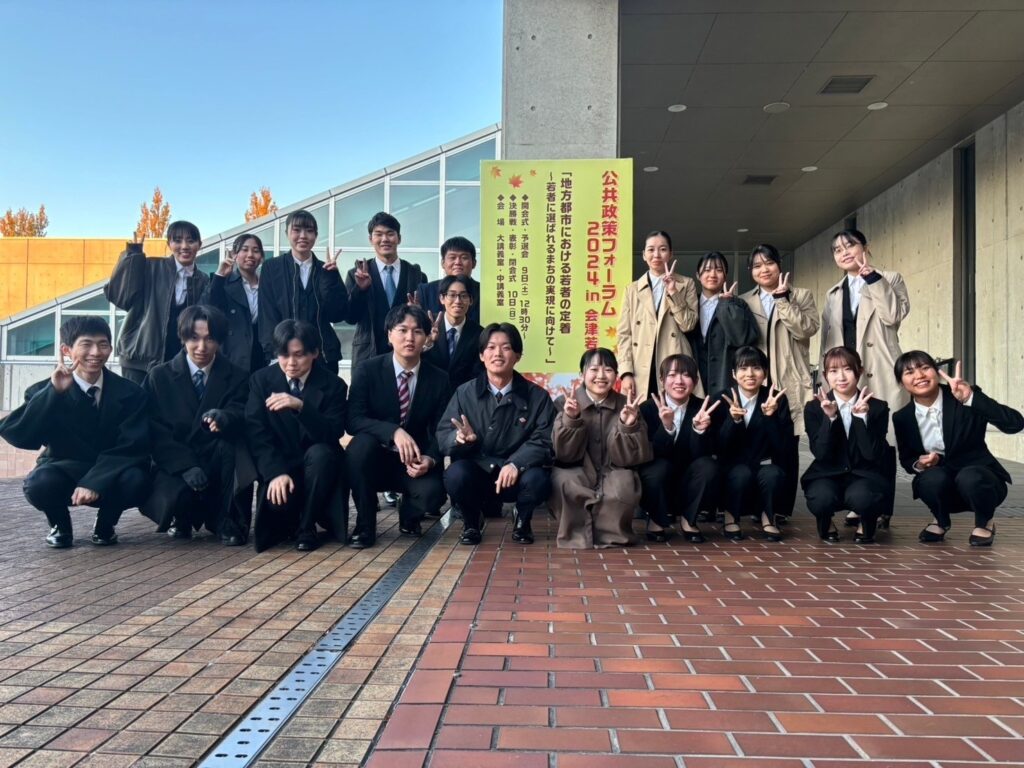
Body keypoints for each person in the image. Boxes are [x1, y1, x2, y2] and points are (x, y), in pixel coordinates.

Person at [0, 316, 150, 547]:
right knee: (39, 483)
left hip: (111, 469)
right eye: (86, 344)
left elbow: (132, 445)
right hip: (64, 467)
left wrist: (94, 481)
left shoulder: (131, 392)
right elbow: (20, 434)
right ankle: (60, 525)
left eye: (103, 344)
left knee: (136, 480)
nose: (95, 352)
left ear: (111, 349)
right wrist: (53, 392)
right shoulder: (42, 390)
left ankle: (106, 524)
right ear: (66, 350)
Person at [141, 305, 252, 545]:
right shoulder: (159, 376)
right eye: (194, 338)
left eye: (210, 339)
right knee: (175, 496)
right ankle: (181, 517)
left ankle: (224, 520)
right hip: (175, 460)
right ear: (182, 338)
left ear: (219, 341)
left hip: (215, 457)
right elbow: (154, 430)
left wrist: (225, 417)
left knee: (232, 448)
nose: (202, 347)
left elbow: (243, 411)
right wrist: (185, 466)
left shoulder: (237, 376)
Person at [437, 323, 556, 546]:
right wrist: (459, 439)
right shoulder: (464, 393)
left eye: (506, 347)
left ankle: (523, 520)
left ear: (517, 356)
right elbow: (443, 434)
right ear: (482, 356)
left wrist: (516, 463)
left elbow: (545, 438)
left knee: (539, 480)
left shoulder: (537, 396)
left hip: (517, 476)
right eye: (490, 347)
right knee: (455, 475)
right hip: (479, 473)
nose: (498, 353)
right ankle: (471, 522)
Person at [893, 351, 1023, 546]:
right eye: (909, 372)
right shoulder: (902, 417)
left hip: (980, 481)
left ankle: (984, 521)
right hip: (943, 484)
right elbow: (907, 459)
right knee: (930, 479)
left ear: (937, 372)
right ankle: (940, 519)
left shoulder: (962, 396)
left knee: (970, 477)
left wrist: (971, 398)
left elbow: (1015, 424)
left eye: (925, 368)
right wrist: (920, 463)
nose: (919, 375)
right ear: (902, 383)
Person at [346, 305, 450, 548]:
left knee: (433, 495)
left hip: (414, 461)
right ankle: (365, 524)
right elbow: (353, 420)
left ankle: (410, 513)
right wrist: (393, 432)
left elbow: (441, 428)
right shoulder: (367, 370)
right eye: (402, 330)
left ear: (427, 338)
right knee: (358, 449)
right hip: (375, 457)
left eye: (417, 331)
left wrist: (431, 459)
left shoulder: (439, 378)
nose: (409, 338)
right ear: (389, 335)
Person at [246, 320, 349, 552]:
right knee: (277, 507)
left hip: (319, 470)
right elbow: (256, 432)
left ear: (315, 353)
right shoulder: (261, 381)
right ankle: (291, 520)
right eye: (284, 355)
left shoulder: (334, 385)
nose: (291, 363)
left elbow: (333, 432)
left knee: (322, 453)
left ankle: (307, 527)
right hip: (282, 467)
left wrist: (302, 407)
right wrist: (275, 472)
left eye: (299, 355)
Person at [550, 348, 652, 549]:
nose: (601, 376)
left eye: (608, 370)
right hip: (575, 468)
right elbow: (563, 453)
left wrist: (627, 425)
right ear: (582, 374)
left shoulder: (627, 405)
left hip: (614, 468)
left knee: (623, 484)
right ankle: (576, 535)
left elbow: (632, 457)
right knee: (565, 482)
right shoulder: (564, 403)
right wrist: (571, 419)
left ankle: (610, 536)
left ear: (616, 375)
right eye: (594, 369)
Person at [802, 347, 892, 544]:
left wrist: (861, 418)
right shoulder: (814, 408)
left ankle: (867, 523)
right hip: (827, 473)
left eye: (847, 369)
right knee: (821, 498)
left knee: (863, 498)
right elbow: (820, 453)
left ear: (859, 371)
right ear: (825, 375)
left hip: (864, 474)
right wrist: (830, 418)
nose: (841, 377)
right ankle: (825, 522)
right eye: (833, 371)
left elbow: (871, 454)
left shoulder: (878, 407)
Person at [105, 221, 211, 384]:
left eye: (190, 241)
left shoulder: (203, 280)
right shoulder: (151, 266)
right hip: (140, 358)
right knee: (137, 400)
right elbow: (120, 296)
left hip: (179, 361)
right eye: (177, 241)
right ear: (169, 244)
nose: (184, 246)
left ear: (199, 245)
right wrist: (132, 256)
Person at [819, 228, 910, 412]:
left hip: (881, 367)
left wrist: (873, 279)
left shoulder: (890, 279)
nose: (844, 253)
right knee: (846, 424)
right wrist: (825, 377)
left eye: (850, 245)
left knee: (884, 423)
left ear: (866, 248)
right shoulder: (833, 293)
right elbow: (826, 342)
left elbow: (892, 316)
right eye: (837, 250)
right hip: (844, 374)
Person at [636, 354, 720, 543]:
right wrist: (666, 427)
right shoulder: (648, 408)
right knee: (655, 470)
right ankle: (656, 518)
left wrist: (699, 430)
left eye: (686, 375)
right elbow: (648, 453)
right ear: (662, 380)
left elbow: (705, 453)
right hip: (660, 475)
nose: (679, 381)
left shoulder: (704, 408)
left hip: (689, 476)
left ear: (695, 381)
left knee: (709, 467)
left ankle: (689, 520)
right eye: (672, 375)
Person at [715, 346, 793, 542]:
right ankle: (731, 516)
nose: (750, 374)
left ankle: (768, 517)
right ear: (733, 374)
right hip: (733, 465)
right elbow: (718, 446)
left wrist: (770, 417)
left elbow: (782, 446)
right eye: (743, 368)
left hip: (764, 462)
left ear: (765, 373)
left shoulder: (776, 399)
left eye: (756, 368)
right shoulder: (722, 399)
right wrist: (733, 421)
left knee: (773, 474)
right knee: (740, 473)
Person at [258, 210, 349, 373]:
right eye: (297, 230)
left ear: (316, 235)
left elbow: (337, 314)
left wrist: (331, 278)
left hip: (322, 355)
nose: (303, 236)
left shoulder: (326, 269)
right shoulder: (272, 268)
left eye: (309, 230)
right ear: (287, 233)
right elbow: (267, 314)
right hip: (286, 356)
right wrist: (273, 354)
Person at [616, 230, 698, 401]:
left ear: (671, 253)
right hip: (640, 366)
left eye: (662, 249)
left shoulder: (686, 284)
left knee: (675, 410)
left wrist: (673, 292)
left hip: (674, 362)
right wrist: (626, 372)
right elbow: (624, 334)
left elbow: (688, 325)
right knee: (641, 412)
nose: (656, 255)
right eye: (651, 249)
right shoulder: (632, 290)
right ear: (643, 255)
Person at [345, 212, 427, 368]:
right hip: (368, 355)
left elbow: (424, 322)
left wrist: (417, 312)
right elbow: (350, 317)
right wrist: (360, 290)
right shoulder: (356, 273)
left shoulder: (416, 275)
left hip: (406, 357)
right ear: (371, 239)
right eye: (378, 234)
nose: (385, 239)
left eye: (390, 234)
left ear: (399, 238)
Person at [686, 251, 759, 398]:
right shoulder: (689, 304)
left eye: (719, 270)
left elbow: (742, 339)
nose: (712, 274)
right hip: (692, 380)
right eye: (707, 270)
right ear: (698, 275)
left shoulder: (738, 304)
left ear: (725, 276)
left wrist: (727, 305)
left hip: (725, 380)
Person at [202, 233, 267, 372]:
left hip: (261, 354)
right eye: (244, 250)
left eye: (256, 251)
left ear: (261, 257)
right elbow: (207, 309)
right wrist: (219, 276)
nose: (250, 255)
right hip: (232, 354)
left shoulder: (267, 285)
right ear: (234, 255)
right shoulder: (223, 282)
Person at [422, 274, 483, 389]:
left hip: (463, 395)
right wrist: (427, 344)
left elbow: (478, 374)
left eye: (463, 296)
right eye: (452, 295)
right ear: (442, 298)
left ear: (471, 300)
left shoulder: (479, 334)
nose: (458, 301)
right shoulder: (426, 325)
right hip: (429, 392)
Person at [415, 236, 481, 325]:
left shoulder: (484, 292)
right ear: (443, 263)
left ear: (474, 263)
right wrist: (414, 313)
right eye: (452, 257)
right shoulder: (426, 291)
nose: (458, 262)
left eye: (464, 257)